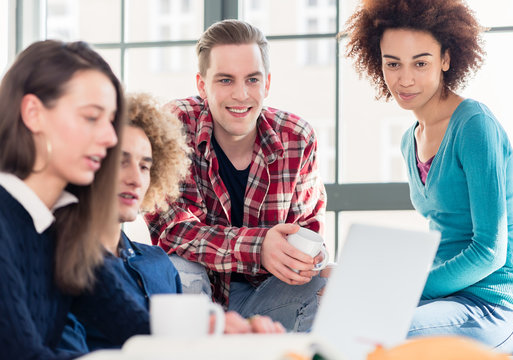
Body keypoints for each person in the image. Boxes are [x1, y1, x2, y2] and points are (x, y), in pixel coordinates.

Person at [342, 0, 513, 355]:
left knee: (378, 335)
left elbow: (490, 250)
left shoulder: (474, 124)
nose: (405, 78)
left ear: (446, 59)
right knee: (349, 321)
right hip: (446, 301)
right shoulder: (408, 140)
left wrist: (407, 286)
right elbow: (443, 239)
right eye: (393, 64)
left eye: (421, 63)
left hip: (495, 310)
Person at [59, 92, 285, 352]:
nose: (135, 178)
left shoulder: (158, 264)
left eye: (145, 166)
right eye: (121, 162)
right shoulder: (61, 261)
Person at [145, 19, 328, 332]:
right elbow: (170, 231)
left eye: (252, 80)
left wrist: (311, 261)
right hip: (197, 297)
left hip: (263, 295)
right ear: (202, 85)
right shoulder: (174, 126)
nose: (242, 95)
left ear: (267, 83)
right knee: (178, 269)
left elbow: (308, 229)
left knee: (328, 289)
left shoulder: (297, 138)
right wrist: (258, 248)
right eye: (226, 80)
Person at [0, 39, 126, 359]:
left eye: (111, 120)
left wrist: (216, 329)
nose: (111, 137)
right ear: (33, 113)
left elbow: (135, 324)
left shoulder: (63, 221)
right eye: (91, 117)